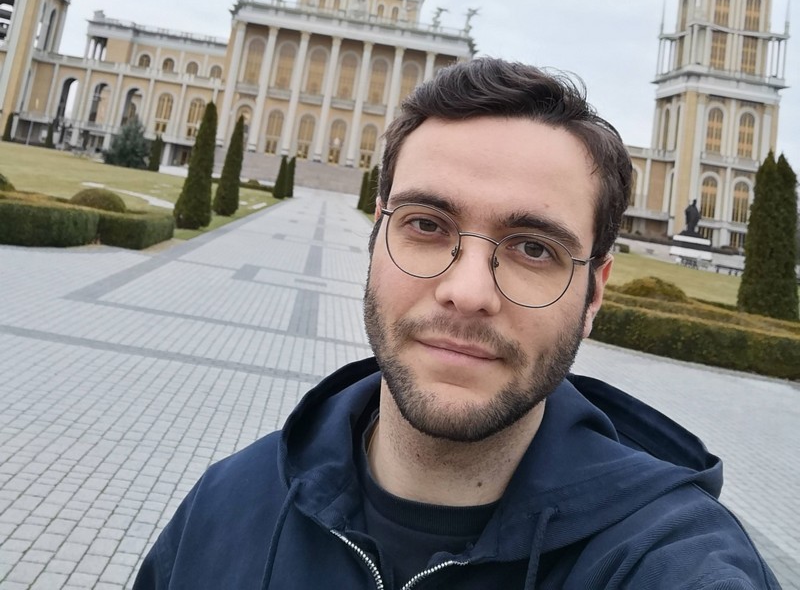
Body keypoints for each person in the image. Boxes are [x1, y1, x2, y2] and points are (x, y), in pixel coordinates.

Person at [134, 58, 778, 589]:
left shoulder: (670, 564)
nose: (466, 293)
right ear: (375, 234)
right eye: (426, 225)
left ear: (593, 294)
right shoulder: (227, 507)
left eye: (533, 248)